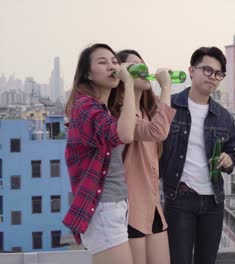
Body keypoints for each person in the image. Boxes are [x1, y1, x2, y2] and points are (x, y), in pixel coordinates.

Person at [159, 46, 235, 264]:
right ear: (191, 70)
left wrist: (229, 159)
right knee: (179, 260)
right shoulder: (169, 105)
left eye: (219, 73)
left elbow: (232, 151)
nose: (213, 77)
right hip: (179, 198)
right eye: (207, 70)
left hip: (213, 202)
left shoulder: (224, 117)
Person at [63, 43, 136, 264]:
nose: (111, 66)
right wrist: (130, 85)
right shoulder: (85, 107)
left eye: (114, 61)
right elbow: (125, 134)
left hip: (114, 206)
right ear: (88, 74)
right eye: (102, 62)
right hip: (103, 207)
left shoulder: (101, 108)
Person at [108, 49, 176, 264]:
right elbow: (158, 131)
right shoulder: (121, 115)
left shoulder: (146, 112)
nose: (144, 70)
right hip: (130, 209)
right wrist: (166, 86)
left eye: (144, 64)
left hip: (152, 205)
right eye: (136, 66)